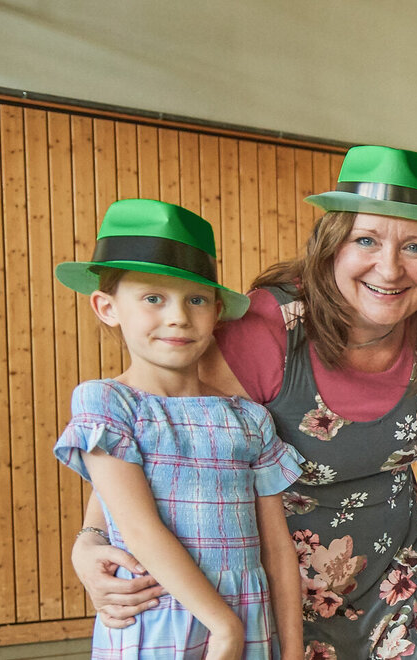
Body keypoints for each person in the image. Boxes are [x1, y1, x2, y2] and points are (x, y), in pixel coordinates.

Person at [74, 145, 417, 660]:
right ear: (332, 246)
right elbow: (165, 432)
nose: (390, 269)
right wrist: (91, 536)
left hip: (399, 584)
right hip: (275, 591)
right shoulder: (269, 327)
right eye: (366, 240)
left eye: (416, 247)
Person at [53, 199, 304, 659]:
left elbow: (278, 549)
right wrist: (222, 626)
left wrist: (289, 650)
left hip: (250, 618)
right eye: (153, 298)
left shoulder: (249, 419)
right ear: (107, 307)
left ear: (216, 311)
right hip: (154, 618)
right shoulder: (106, 403)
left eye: (196, 299)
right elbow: (138, 527)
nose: (178, 317)